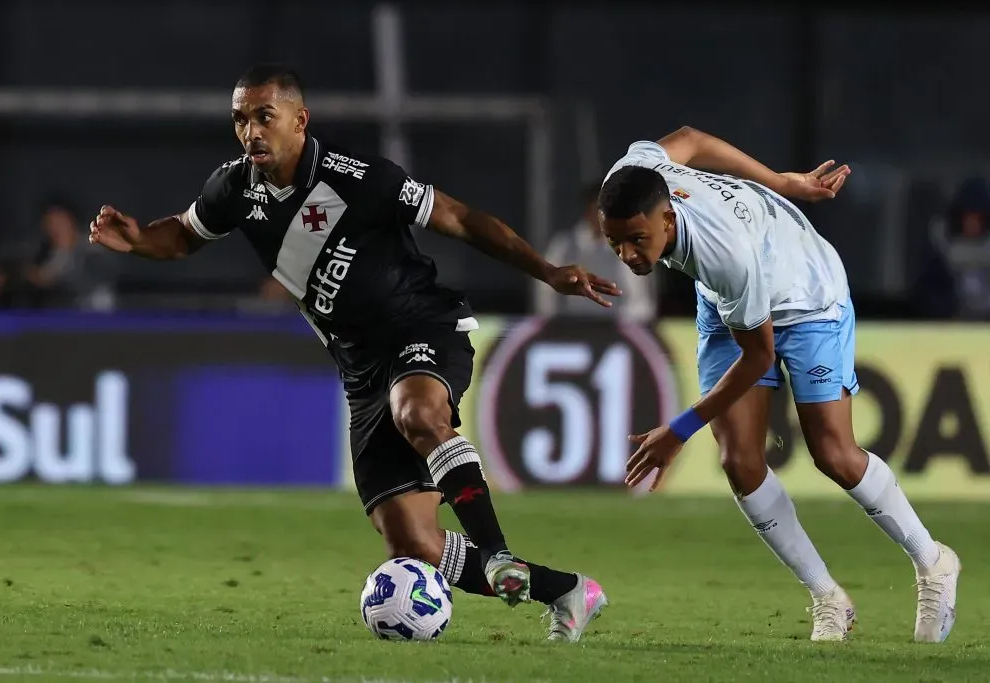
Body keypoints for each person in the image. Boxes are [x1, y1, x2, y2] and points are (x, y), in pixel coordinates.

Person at [89, 63, 616, 642]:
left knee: (418, 413)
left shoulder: (359, 179)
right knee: (415, 546)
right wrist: (138, 240)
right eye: (240, 119)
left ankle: (495, 551)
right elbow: (185, 235)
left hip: (423, 326)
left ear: (299, 119)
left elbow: (460, 219)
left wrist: (547, 271)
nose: (250, 132)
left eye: (265, 116)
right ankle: (567, 591)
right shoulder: (235, 188)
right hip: (361, 371)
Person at [598, 127, 960, 643]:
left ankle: (934, 561)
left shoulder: (723, 254)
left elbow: (758, 356)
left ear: (667, 218)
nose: (629, 254)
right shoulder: (629, 175)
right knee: (738, 459)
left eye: (638, 239)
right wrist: (780, 181)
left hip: (804, 290)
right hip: (730, 299)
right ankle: (828, 598)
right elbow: (690, 139)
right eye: (615, 242)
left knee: (833, 452)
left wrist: (678, 429)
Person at [535, 182, 658, 322]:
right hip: (570, 330)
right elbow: (546, 295)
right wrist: (554, 326)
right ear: (588, 211)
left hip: (616, 333)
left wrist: (624, 330)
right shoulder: (564, 245)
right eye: (598, 210)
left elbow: (640, 302)